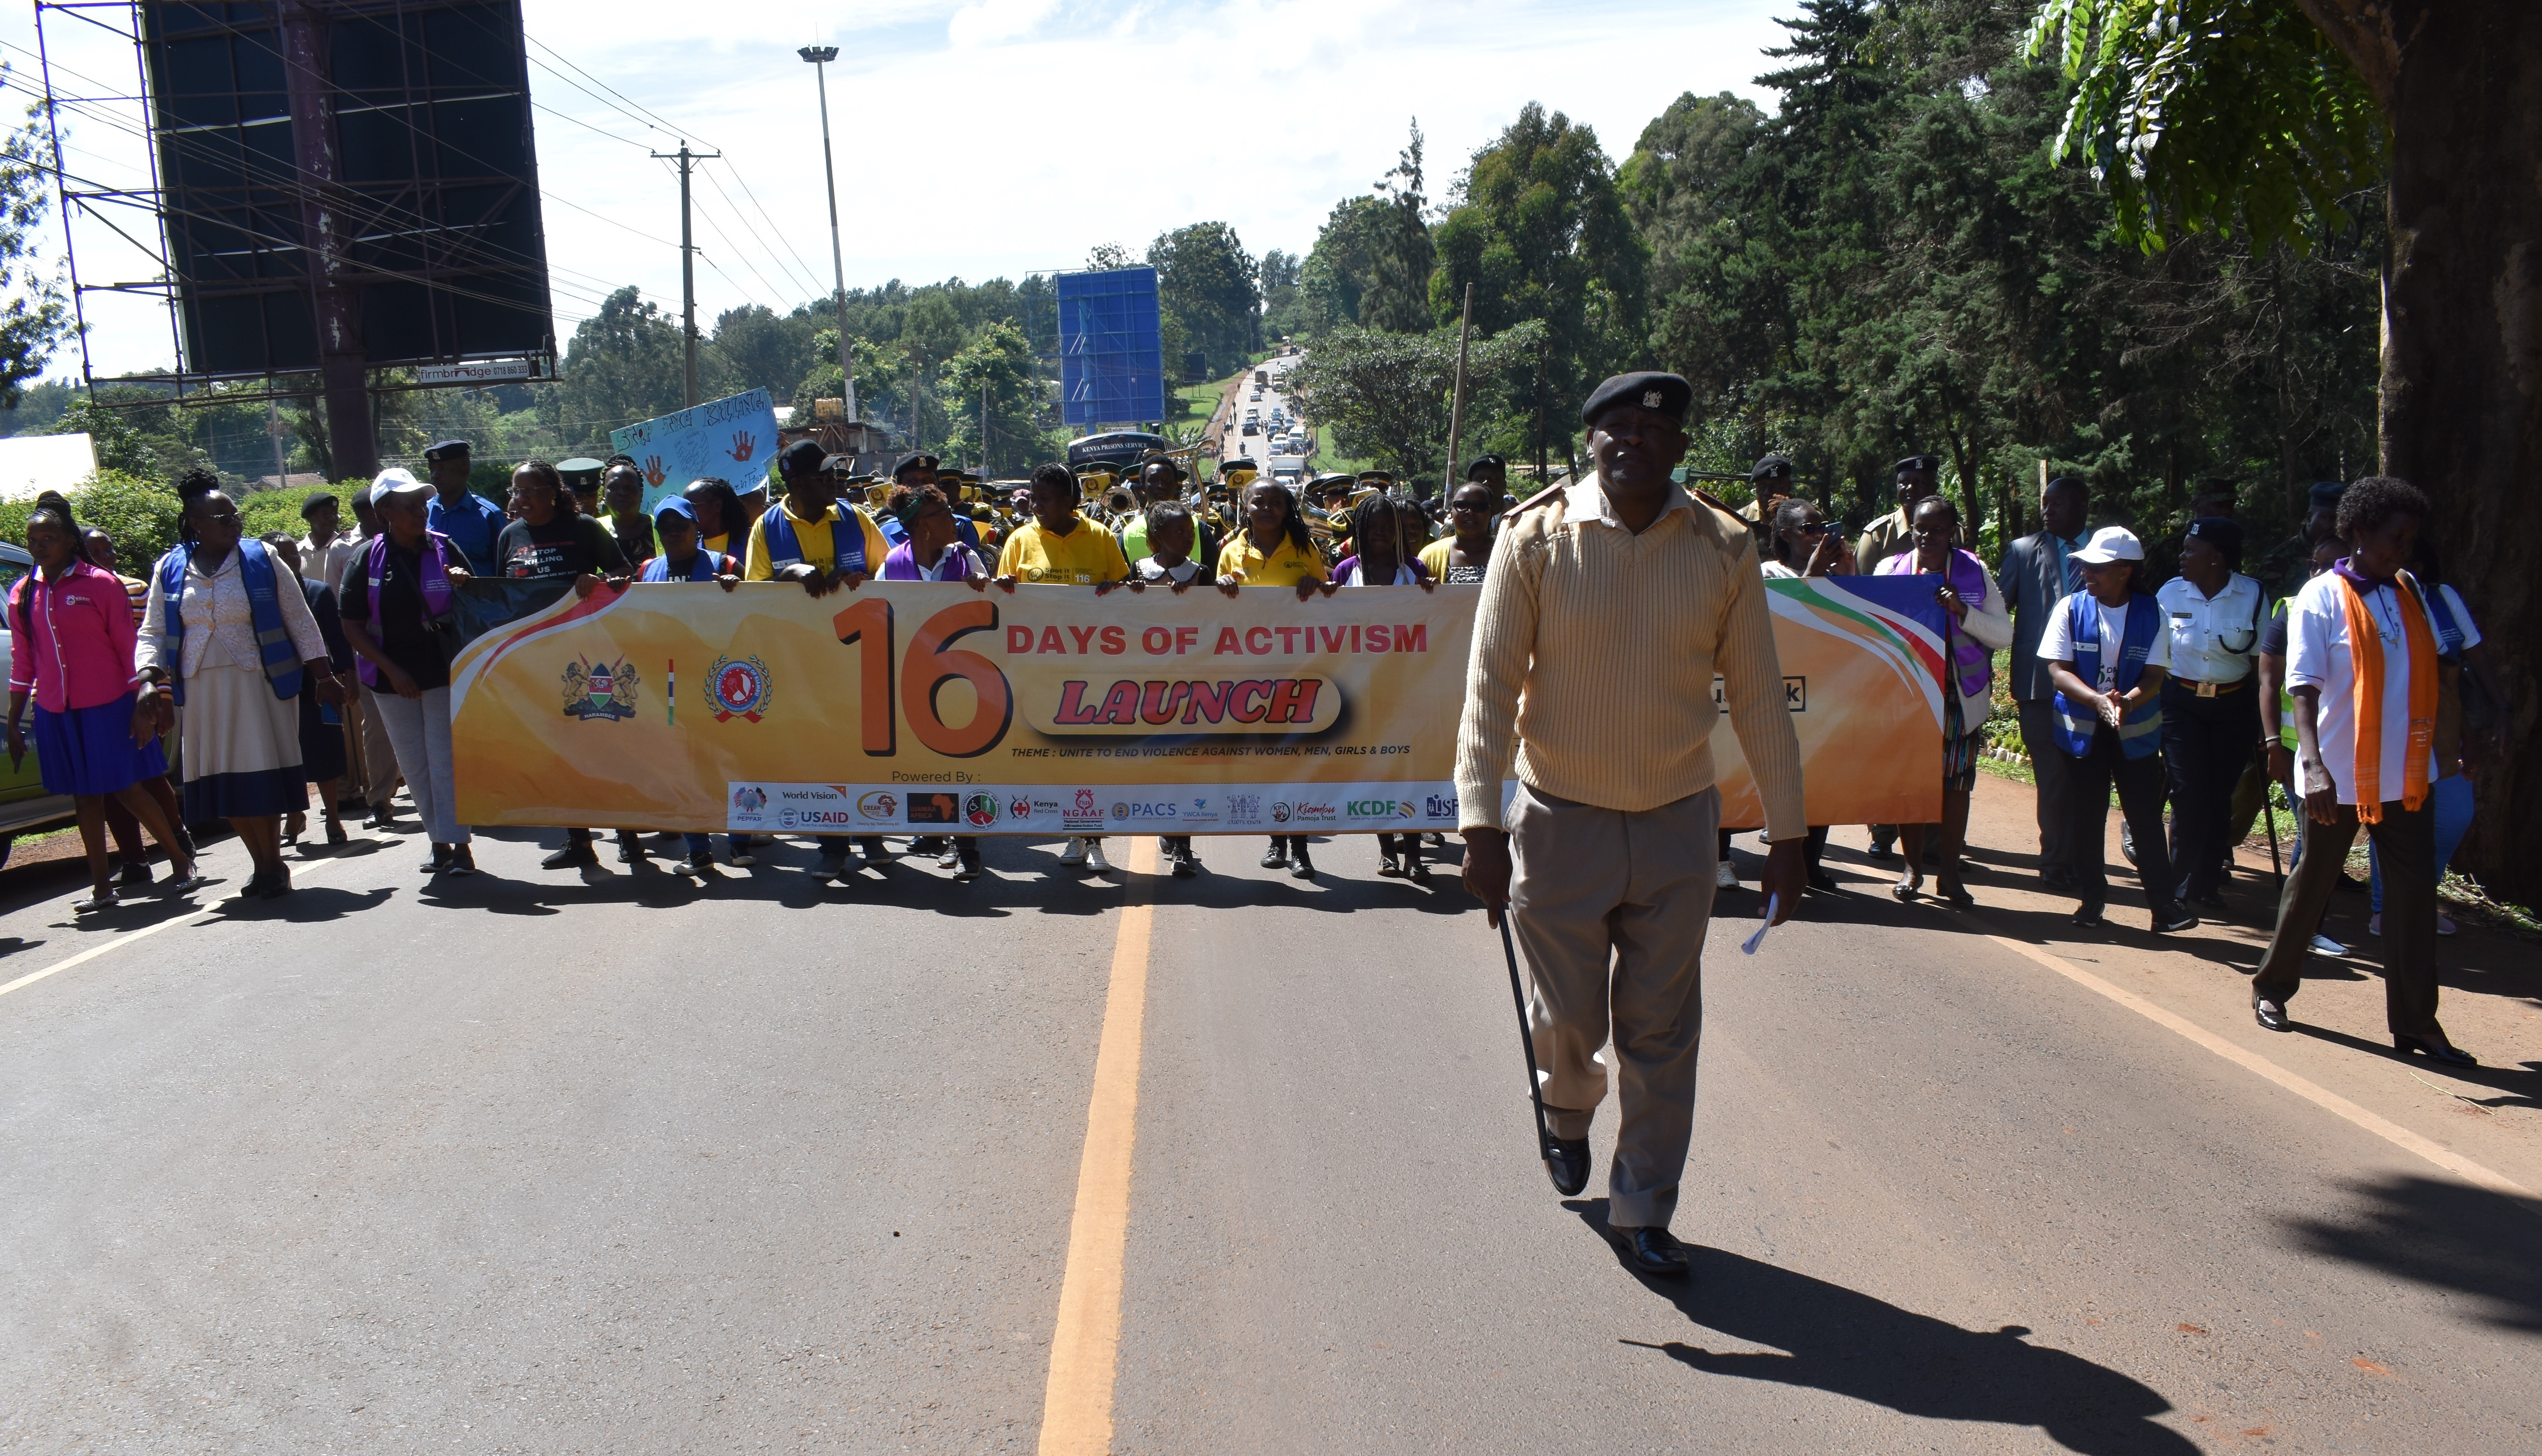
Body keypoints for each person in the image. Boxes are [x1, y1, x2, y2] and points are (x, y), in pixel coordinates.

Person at [1456, 371, 1804, 1280]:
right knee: (1567, 1017)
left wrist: (1788, 834)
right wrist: (1477, 825)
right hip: (1556, 819)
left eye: (1651, 432)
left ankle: (1643, 1204)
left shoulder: (1720, 546)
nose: (1631, 443)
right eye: (1613, 427)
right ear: (1590, 440)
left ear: (1678, 446)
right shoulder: (1532, 538)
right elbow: (1489, 687)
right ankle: (1564, 1108)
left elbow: (1760, 697)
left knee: (1660, 1023)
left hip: (1674, 824)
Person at [2251, 477, 2470, 1065]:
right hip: (2339, 774)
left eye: (2409, 538)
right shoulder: (2319, 596)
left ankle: (2416, 1023)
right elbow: (2301, 684)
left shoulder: (2407, 593)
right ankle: (2271, 987)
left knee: (2412, 898)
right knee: (2311, 885)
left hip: (2405, 775)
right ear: (2357, 531)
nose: (2403, 548)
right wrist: (2312, 764)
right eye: (2393, 537)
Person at [138, 488, 343, 899]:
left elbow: (299, 618)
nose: (235, 523)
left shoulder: (261, 558)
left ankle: (273, 863)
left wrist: (323, 675)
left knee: (259, 774)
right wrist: (147, 677)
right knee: (221, 781)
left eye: (236, 516)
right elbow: (153, 630)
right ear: (196, 523)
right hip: (199, 688)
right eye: (223, 518)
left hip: (258, 682)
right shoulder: (171, 567)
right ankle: (260, 861)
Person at [6, 493, 203, 911]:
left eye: (49, 537)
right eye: (33, 539)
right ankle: (101, 887)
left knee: (126, 788)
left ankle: (181, 861)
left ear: (68, 540)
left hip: (109, 704)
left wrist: (142, 701)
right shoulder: (23, 594)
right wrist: (13, 719)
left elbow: (127, 647)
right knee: (84, 797)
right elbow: (24, 660)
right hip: (57, 710)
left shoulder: (101, 584)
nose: (40, 546)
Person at [746, 439, 893, 876]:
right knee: (819, 754)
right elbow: (752, 596)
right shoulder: (766, 527)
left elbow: (890, 573)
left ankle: (871, 836)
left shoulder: (854, 517)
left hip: (858, 660)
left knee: (863, 752)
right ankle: (831, 846)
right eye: (823, 475)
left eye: (834, 473)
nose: (834, 481)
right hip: (800, 665)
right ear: (795, 483)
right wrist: (788, 574)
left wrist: (862, 579)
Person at [2041, 526, 2197, 934]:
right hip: (2081, 731)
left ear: (2125, 571)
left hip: (2135, 731)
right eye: (2085, 568)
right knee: (2087, 815)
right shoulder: (2069, 609)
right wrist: (2096, 701)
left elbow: (2154, 674)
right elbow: (2058, 670)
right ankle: (2092, 899)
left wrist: (2127, 701)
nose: (2087, 575)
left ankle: (2164, 907)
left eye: (2097, 569)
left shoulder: (2152, 614)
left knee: (2144, 817)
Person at [1874, 496, 2011, 906]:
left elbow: (2003, 635)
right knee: (1910, 783)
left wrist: (1961, 611)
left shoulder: (1974, 572)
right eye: (1919, 527)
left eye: (1936, 529)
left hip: (1958, 695)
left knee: (1955, 786)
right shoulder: (1891, 570)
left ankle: (1949, 875)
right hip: (1908, 695)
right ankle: (1912, 868)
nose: (1926, 536)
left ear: (1952, 531)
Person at [497, 459, 634, 872]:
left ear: (553, 492)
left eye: (531, 491)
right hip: (536, 660)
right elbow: (501, 593)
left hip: (588, 657)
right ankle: (579, 840)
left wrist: (595, 582)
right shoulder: (509, 536)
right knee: (558, 752)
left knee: (603, 746)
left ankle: (628, 834)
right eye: (516, 491)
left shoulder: (583, 528)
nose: (521, 500)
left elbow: (624, 571)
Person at [997, 462, 1133, 874]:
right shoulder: (1019, 540)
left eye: (1045, 498)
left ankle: (1092, 840)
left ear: (1071, 501)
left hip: (1092, 671)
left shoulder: (1101, 536)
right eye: (1033, 497)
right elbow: (1002, 601)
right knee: (1053, 757)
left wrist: (1118, 591)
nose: (1035, 505)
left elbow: (1126, 594)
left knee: (1089, 758)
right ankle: (1070, 834)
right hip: (1037, 673)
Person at [337, 476, 477, 876]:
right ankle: (438, 841)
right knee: (415, 763)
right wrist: (393, 670)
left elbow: (476, 602)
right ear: (385, 513)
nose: (419, 513)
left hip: (442, 671)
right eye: (409, 506)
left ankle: (461, 845)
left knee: (444, 759)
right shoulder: (366, 558)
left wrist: (464, 585)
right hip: (390, 678)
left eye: (421, 505)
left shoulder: (443, 547)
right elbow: (352, 626)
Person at [2363, 548, 2504, 938]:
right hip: (2393, 726)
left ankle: (2418, 898)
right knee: (2393, 818)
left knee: (2454, 816)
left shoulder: (2443, 598)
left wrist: (2498, 708)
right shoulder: (2372, 600)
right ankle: (2384, 908)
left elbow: (2470, 655)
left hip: (2446, 726)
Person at [1216, 477, 1329, 878]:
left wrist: (1316, 585)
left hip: (1297, 673)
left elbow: (1329, 602)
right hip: (1249, 678)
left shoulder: (1305, 550)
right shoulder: (1230, 552)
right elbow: (1216, 615)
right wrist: (1222, 585)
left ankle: (1300, 849)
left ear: (1287, 509)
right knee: (1265, 764)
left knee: (1295, 763)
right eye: (1257, 501)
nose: (1266, 508)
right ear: (1244, 507)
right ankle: (1275, 841)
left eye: (1275, 503)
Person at [879, 484, 992, 880]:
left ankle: (969, 849)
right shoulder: (892, 565)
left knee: (962, 768)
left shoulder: (967, 558)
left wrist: (992, 588)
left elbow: (994, 608)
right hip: (913, 683)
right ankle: (940, 835)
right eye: (944, 513)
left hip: (964, 685)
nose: (954, 519)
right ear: (923, 527)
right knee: (926, 767)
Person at [2154, 517, 2265, 910]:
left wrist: (2264, 724)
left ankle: (2205, 882)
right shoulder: (2169, 593)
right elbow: (2155, 655)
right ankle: (2179, 887)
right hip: (2181, 703)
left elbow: (2261, 664)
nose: (2182, 556)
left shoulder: (2252, 594)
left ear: (2215, 557)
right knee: (2188, 792)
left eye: (2190, 550)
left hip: (2233, 706)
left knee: (2220, 795)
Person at [1333, 492, 1437, 881]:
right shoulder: (1344, 572)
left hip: (1408, 688)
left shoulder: (1415, 570)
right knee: (1377, 773)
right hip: (1361, 690)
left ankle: (1414, 855)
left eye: (1387, 528)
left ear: (1398, 532)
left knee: (1408, 772)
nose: (1380, 534)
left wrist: (1436, 595)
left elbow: (1434, 621)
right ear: (1359, 531)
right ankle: (1385, 851)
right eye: (1372, 528)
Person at [638, 496, 745, 877]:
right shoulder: (648, 570)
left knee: (728, 761)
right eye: (664, 528)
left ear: (695, 528)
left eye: (679, 526)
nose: (672, 534)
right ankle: (698, 850)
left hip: (721, 680)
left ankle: (739, 842)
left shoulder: (725, 565)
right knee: (684, 768)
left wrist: (740, 590)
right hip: (670, 685)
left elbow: (757, 616)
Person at [1996, 474, 2091, 889]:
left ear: (2081, 507)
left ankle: (2079, 858)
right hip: (2037, 686)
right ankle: (2055, 859)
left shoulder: (2102, 550)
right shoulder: (2022, 551)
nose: (2046, 511)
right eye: (2044, 503)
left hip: (2093, 688)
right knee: (2052, 775)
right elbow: (1997, 616)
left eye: (2057, 504)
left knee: (2084, 776)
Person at [2260, 535, 2350, 957]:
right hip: (2303, 752)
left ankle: (2300, 923)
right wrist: (2274, 743)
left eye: (2329, 565)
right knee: (2312, 843)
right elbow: (2268, 681)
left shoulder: (2369, 605)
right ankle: (2302, 927)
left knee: (2313, 843)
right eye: (2313, 564)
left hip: (2341, 747)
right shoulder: (2293, 608)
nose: (2317, 573)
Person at [1759, 497, 1850, 891]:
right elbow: (1784, 623)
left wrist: (1847, 574)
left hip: (1826, 690)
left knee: (1822, 778)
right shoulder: (1767, 572)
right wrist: (1811, 577)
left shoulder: (1832, 572)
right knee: (1785, 780)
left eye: (1822, 527)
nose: (1819, 535)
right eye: (1808, 529)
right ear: (1784, 536)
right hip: (1783, 690)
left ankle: (1811, 862)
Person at [262, 534, 352, 850]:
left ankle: (333, 818)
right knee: (287, 753)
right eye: (282, 556)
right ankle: (295, 813)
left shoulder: (319, 592)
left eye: (293, 555)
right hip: (278, 689)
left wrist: (347, 677)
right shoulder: (261, 599)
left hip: (319, 687)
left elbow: (338, 642)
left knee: (325, 750)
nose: (291, 561)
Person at [348, 476, 408, 832]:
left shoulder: (428, 545)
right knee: (376, 730)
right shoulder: (352, 551)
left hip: (420, 660)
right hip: (372, 660)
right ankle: (380, 799)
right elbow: (345, 613)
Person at [423, 439, 506, 576]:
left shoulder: (490, 516)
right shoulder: (424, 512)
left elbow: (504, 575)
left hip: (478, 597)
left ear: (465, 470)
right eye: (432, 469)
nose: (435, 475)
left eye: (443, 468)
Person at [1854, 454, 1942, 582]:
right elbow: (1859, 587)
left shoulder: (1954, 533)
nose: (1911, 488)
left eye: (1920, 482)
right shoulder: (1877, 535)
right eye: (1904, 482)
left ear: (1934, 488)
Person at [1420, 481, 1499, 584]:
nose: (1471, 512)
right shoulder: (1429, 556)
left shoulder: (1509, 553)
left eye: (1479, 506)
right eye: (1462, 505)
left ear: (1491, 512)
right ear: (1452, 512)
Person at [297, 491, 360, 610]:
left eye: (334, 513)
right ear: (311, 517)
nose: (332, 519)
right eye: (325, 513)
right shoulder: (297, 553)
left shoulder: (347, 549)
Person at [601, 457, 658, 568]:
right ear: (604, 494)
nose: (622, 493)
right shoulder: (592, 529)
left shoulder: (660, 526)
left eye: (629, 487)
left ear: (641, 493)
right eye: (614, 487)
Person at [684, 476, 746, 560]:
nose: (687, 512)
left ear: (717, 505)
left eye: (692, 506)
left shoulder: (752, 539)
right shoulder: (687, 547)